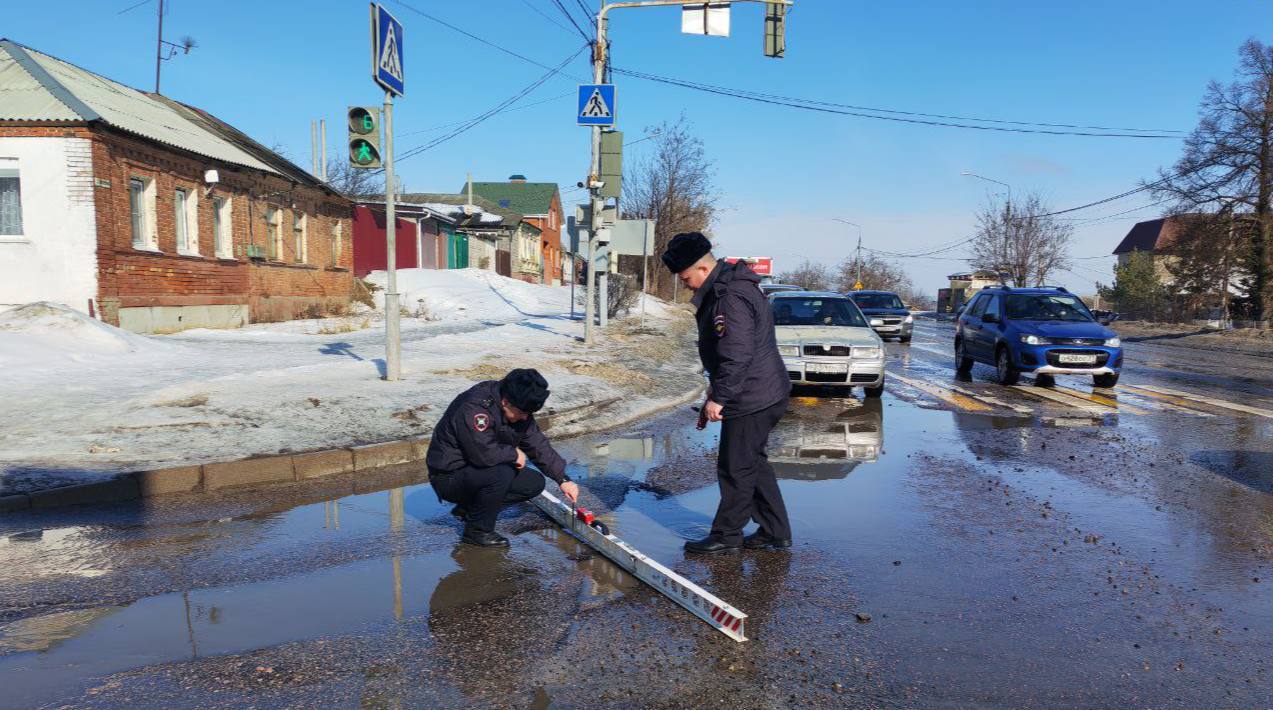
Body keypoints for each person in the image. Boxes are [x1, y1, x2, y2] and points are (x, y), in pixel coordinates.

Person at [661, 232, 793, 554]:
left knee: (735, 467)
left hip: (754, 396)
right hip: (762, 390)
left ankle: (726, 536)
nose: (687, 285)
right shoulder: (730, 287)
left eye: (686, 278)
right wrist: (715, 389)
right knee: (752, 463)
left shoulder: (728, 296)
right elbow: (730, 355)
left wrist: (720, 398)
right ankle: (775, 531)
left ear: (702, 270)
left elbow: (736, 354)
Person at [426, 368, 580, 547]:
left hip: (476, 472)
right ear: (506, 402)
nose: (525, 418)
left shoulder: (519, 407)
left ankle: (470, 510)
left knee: (533, 483)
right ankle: (477, 531)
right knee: (503, 473)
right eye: (522, 413)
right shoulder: (475, 408)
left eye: (528, 414)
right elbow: (482, 454)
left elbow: (537, 443)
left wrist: (563, 479)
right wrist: (513, 454)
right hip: (449, 476)